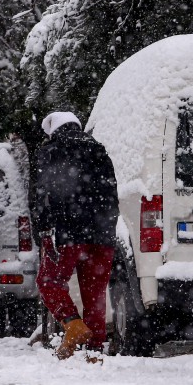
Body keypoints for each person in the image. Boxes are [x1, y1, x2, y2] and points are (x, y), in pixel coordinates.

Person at [33, 111, 120, 360]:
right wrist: (107, 231)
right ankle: (94, 350)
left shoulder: (51, 151)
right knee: (95, 295)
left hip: (65, 233)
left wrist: (45, 231)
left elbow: (43, 195)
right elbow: (112, 195)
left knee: (49, 283)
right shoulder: (100, 151)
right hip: (102, 236)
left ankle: (72, 325)